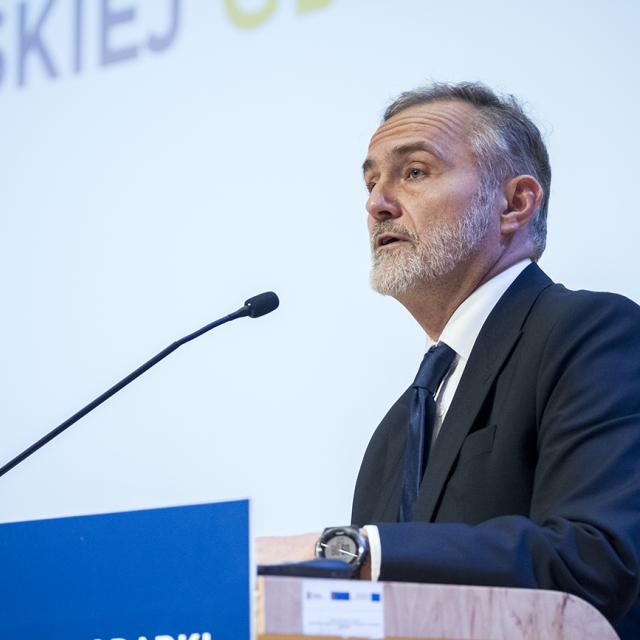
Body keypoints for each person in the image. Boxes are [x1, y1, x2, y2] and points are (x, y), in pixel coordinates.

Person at [257, 82, 640, 638]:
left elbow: (595, 556)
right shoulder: (396, 432)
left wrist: (351, 552)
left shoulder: (590, 333)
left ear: (515, 204)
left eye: (414, 172)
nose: (377, 203)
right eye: (370, 183)